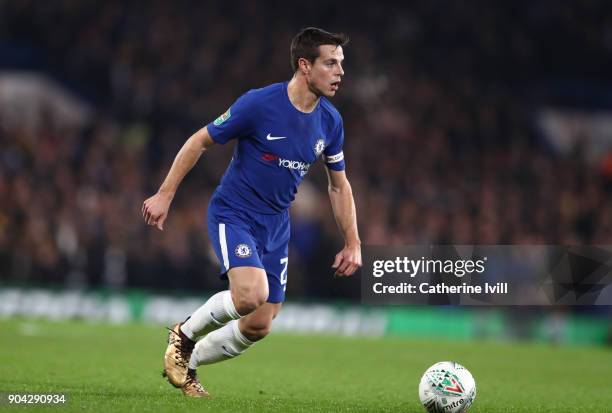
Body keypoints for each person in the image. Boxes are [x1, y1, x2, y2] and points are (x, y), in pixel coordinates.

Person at [142, 27, 361, 397]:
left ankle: (188, 364)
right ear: (305, 66)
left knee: (260, 324)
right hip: (235, 213)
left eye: (341, 63)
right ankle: (183, 336)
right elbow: (200, 140)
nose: (340, 71)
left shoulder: (330, 121)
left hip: (276, 225)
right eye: (331, 63)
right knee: (249, 295)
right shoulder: (259, 105)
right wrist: (165, 194)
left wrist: (353, 240)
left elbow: (338, 185)